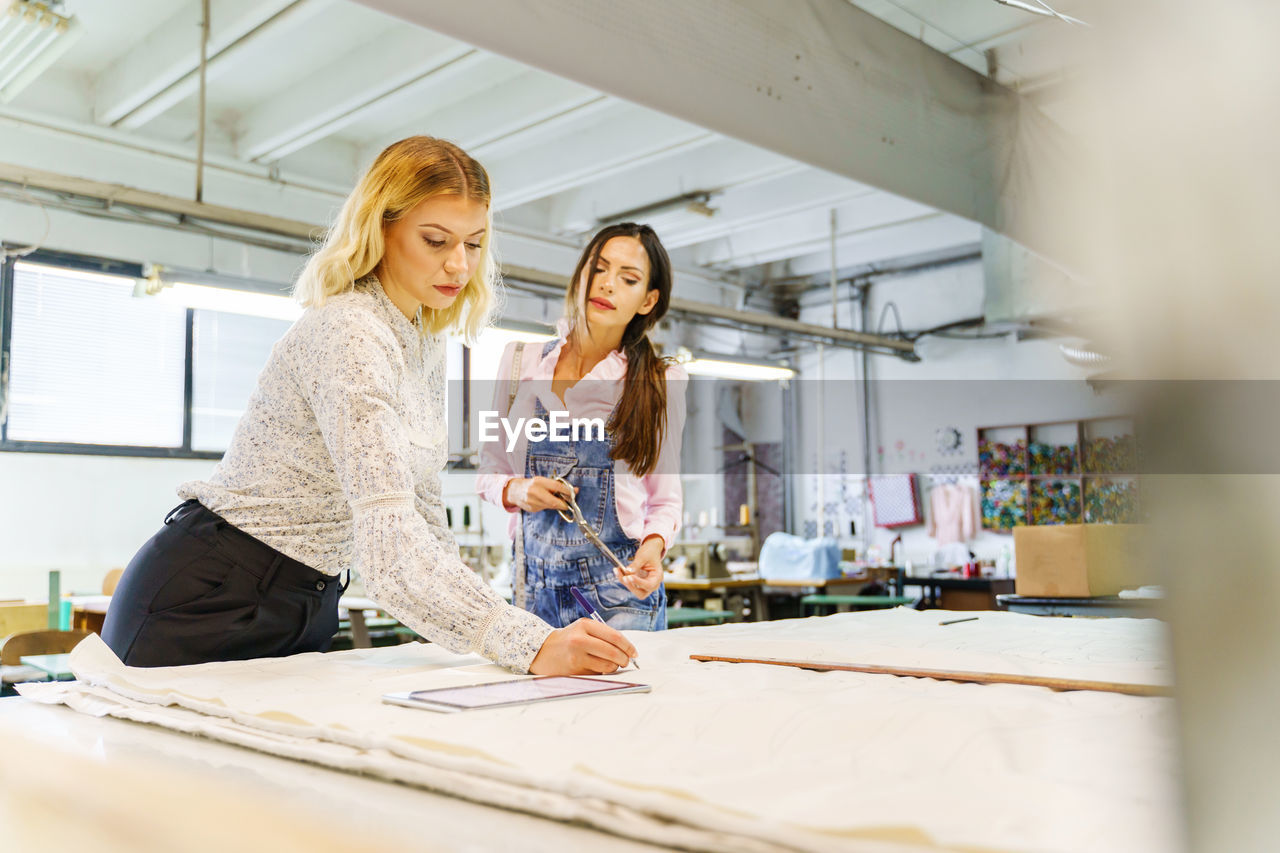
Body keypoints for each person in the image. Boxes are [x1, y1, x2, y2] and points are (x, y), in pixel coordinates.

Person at [101, 136, 637, 675]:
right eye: (435, 240)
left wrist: (514, 634)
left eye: (474, 244)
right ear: (381, 227)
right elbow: (388, 552)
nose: (459, 264)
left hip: (303, 600)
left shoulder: (421, 338)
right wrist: (527, 644)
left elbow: (424, 524)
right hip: (209, 598)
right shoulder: (351, 332)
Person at [477, 223, 686, 630]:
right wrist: (519, 489)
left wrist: (654, 548)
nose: (608, 285)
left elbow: (665, 501)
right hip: (532, 596)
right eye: (600, 268)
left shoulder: (658, 382)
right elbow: (489, 471)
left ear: (648, 300)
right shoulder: (520, 362)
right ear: (581, 273)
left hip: (618, 596)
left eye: (628, 279)